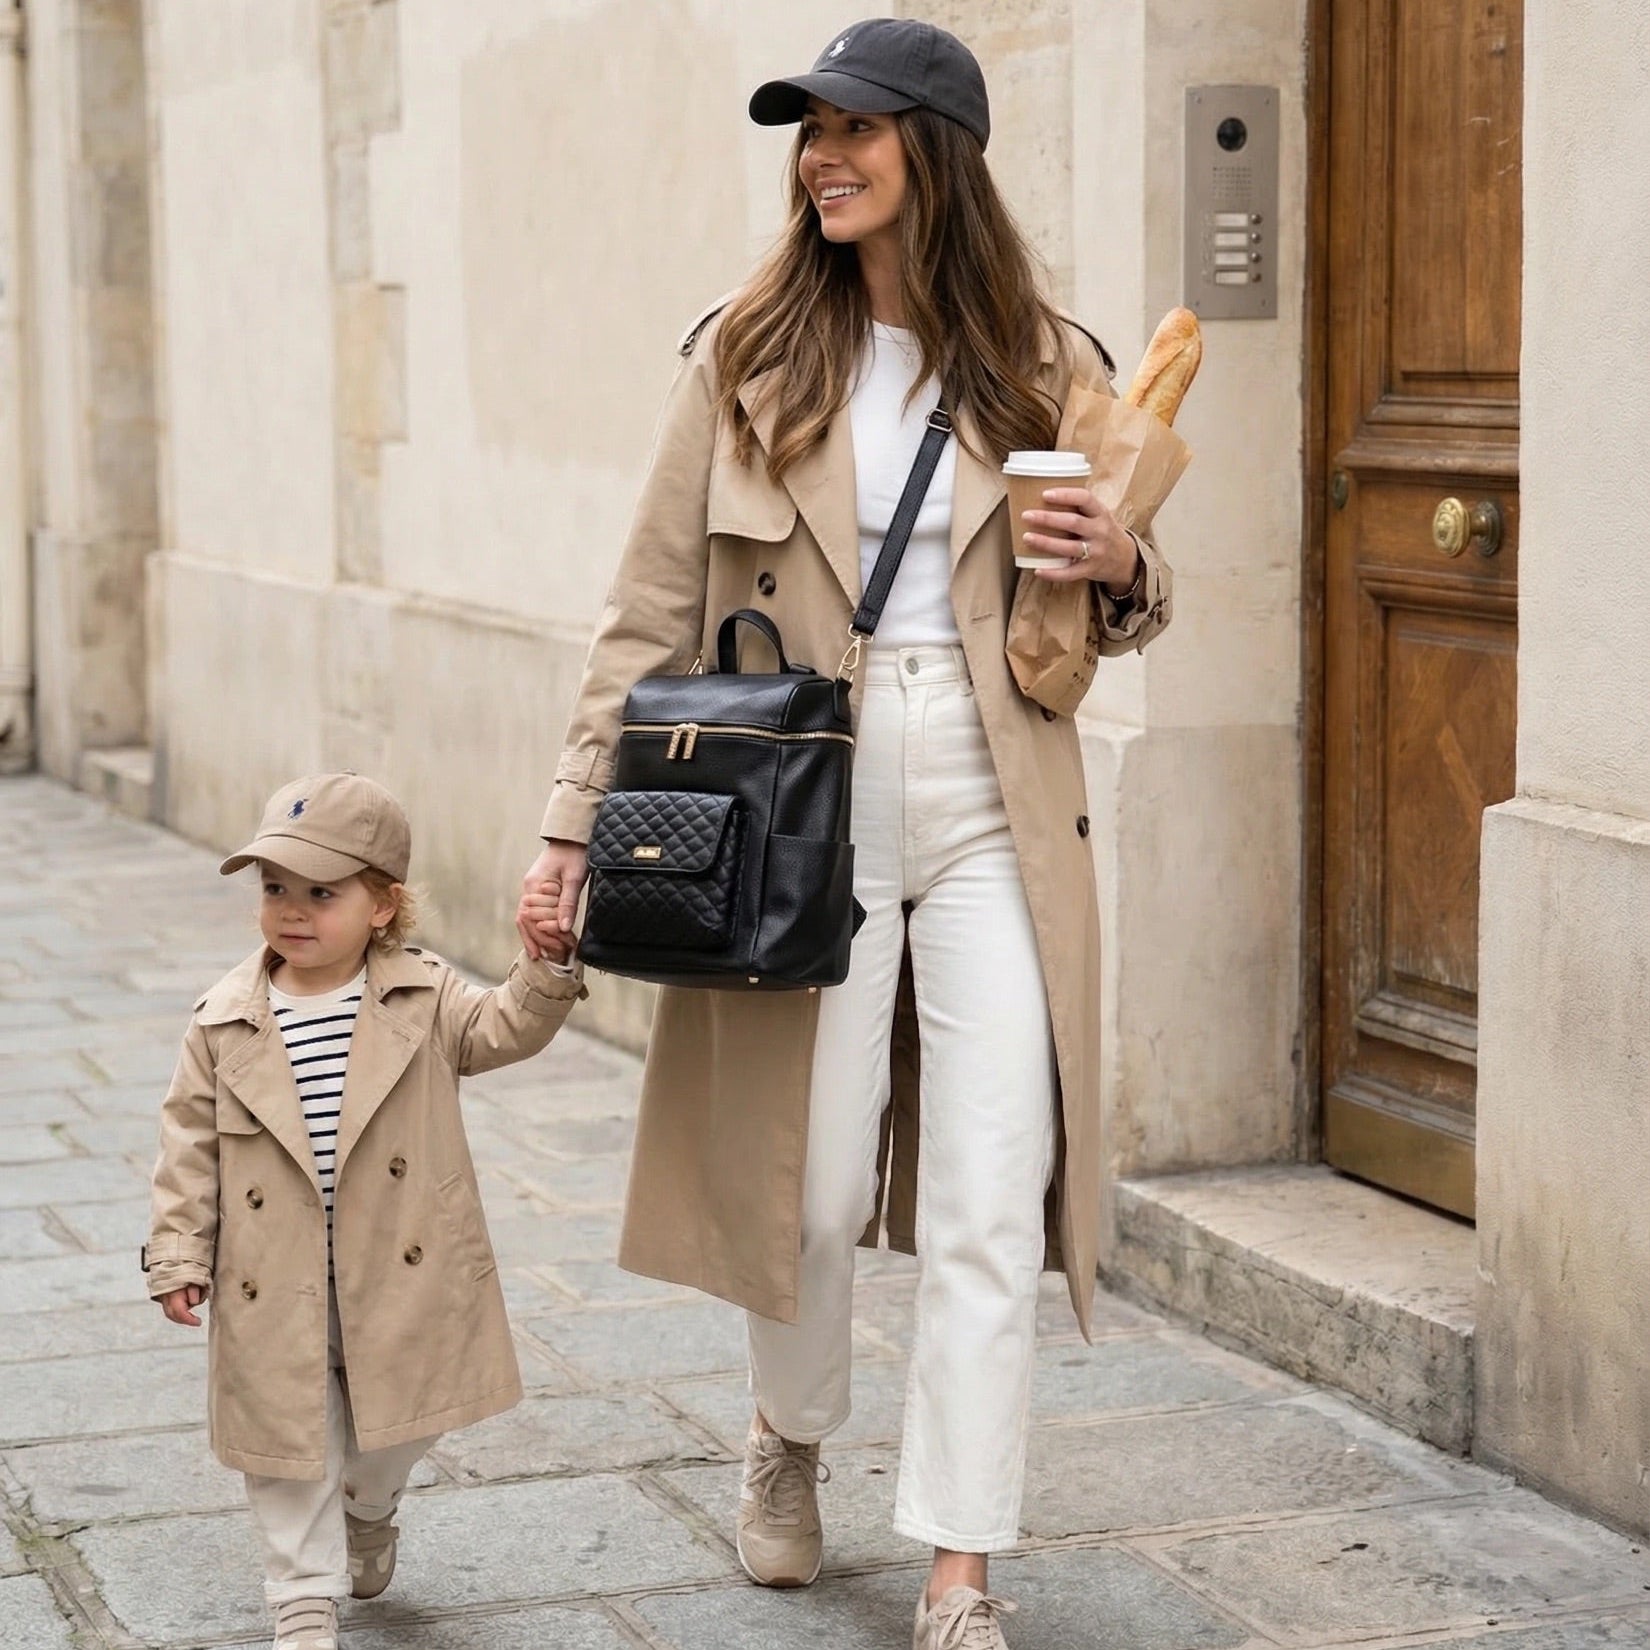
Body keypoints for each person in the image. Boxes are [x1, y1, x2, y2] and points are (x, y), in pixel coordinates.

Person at [518, 19, 1172, 1649]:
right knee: (797, 1189)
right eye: (806, 131)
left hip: (993, 796)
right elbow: (643, 611)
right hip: (795, 803)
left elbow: (1137, 600)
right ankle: (791, 1437)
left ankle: (963, 1560)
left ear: (934, 152)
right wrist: (566, 831)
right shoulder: (745, 353)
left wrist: (1121, 568)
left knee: (984, 1181)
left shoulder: (1046, 360)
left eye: (854, 130)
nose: (821, 155)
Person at [145, 773, 583, 1650]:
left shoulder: (422, 996)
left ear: (384, 905)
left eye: (320, 892)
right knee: (287, 1436)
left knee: (395, 1428)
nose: (291, 912)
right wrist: (179, 1252)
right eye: (274, 889)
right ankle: (301, 1594)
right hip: (275, 1273)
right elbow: (188, 1144)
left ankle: (370, 1505)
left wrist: (544, 963)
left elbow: (503, 1030)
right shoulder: (223, 1020)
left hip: (395, 1267)